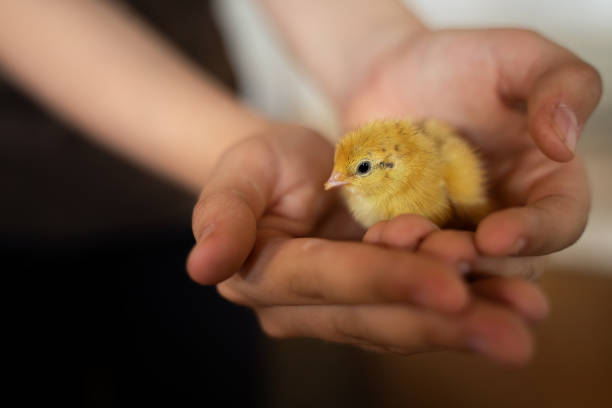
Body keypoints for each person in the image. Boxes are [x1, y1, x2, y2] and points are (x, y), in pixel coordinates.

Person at [0, 0, 601, 380]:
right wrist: (231, 141)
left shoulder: (409, 171)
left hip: (175, 209)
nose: (339, 181)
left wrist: (378, 47)